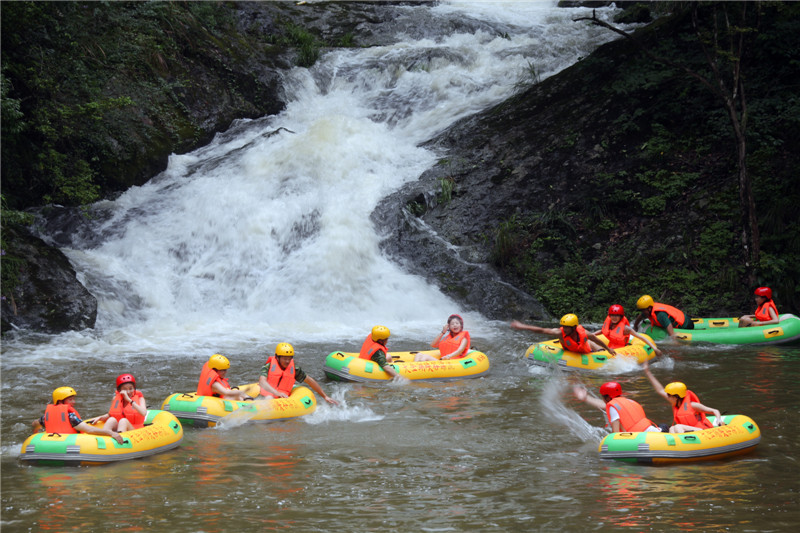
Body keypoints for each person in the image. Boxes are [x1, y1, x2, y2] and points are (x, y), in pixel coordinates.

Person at [642, 359, 723, 433]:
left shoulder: (693, 405)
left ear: (676, 397)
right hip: (689, 432)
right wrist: (647, 372)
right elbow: (660, 390)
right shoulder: (676, 402)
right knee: (672, 429)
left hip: (702, 431)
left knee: (677, 427)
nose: (667, 398)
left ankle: (683, 446)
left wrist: (719, 420)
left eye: (669, 396)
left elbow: (714, 411)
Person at [32, 387, 125, 444]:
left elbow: (35, 424)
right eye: (70, 400)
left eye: (73, 399)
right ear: (60, 401)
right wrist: (111, 433)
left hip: (52, 443)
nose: (74, 402)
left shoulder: (46, 417)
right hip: (70, 444)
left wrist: (35, 433)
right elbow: (90, 430)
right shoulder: (70, 417)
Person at [258, 342, 339, 405]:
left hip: (284, 399)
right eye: (284, 358)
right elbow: (262, 382)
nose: (287, 361)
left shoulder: (295, 369)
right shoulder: (268, 366)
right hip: (268, 395)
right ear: (277, 357)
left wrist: (325, 396)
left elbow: (310, 381)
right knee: (269, 398)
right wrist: (276, 393)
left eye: (289, 358)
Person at [572, 382, 663, 433]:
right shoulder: (630, 402)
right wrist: (586, 398)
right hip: (654, 432)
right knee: (663, 426)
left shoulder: (613, 407)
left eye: (603, 397)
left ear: (607, 397)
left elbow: (616, 433)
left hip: (641, 438)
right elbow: (605, 406)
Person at [510, 314, 617, 356]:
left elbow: (596, 339)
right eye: (564, 327)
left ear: (574, 327)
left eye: (567, 327)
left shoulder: (585, 333)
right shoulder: (560, 333)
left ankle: (600, 351)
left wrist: (608, 349)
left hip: (588, 351)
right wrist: (522, 326)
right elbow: (542, 330)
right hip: (571, 352)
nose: (565, 329)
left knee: (590, 342)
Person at [594, 304, 663, 357]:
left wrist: (655, 348)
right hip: (609, 348)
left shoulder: (626, 328)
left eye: (616, 315)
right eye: (612, 315)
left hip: (620, 351)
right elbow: (602, 331)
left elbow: (640, 337)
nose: (614, 318)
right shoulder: (610, 324)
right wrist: (592, 335)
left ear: (621, 316)